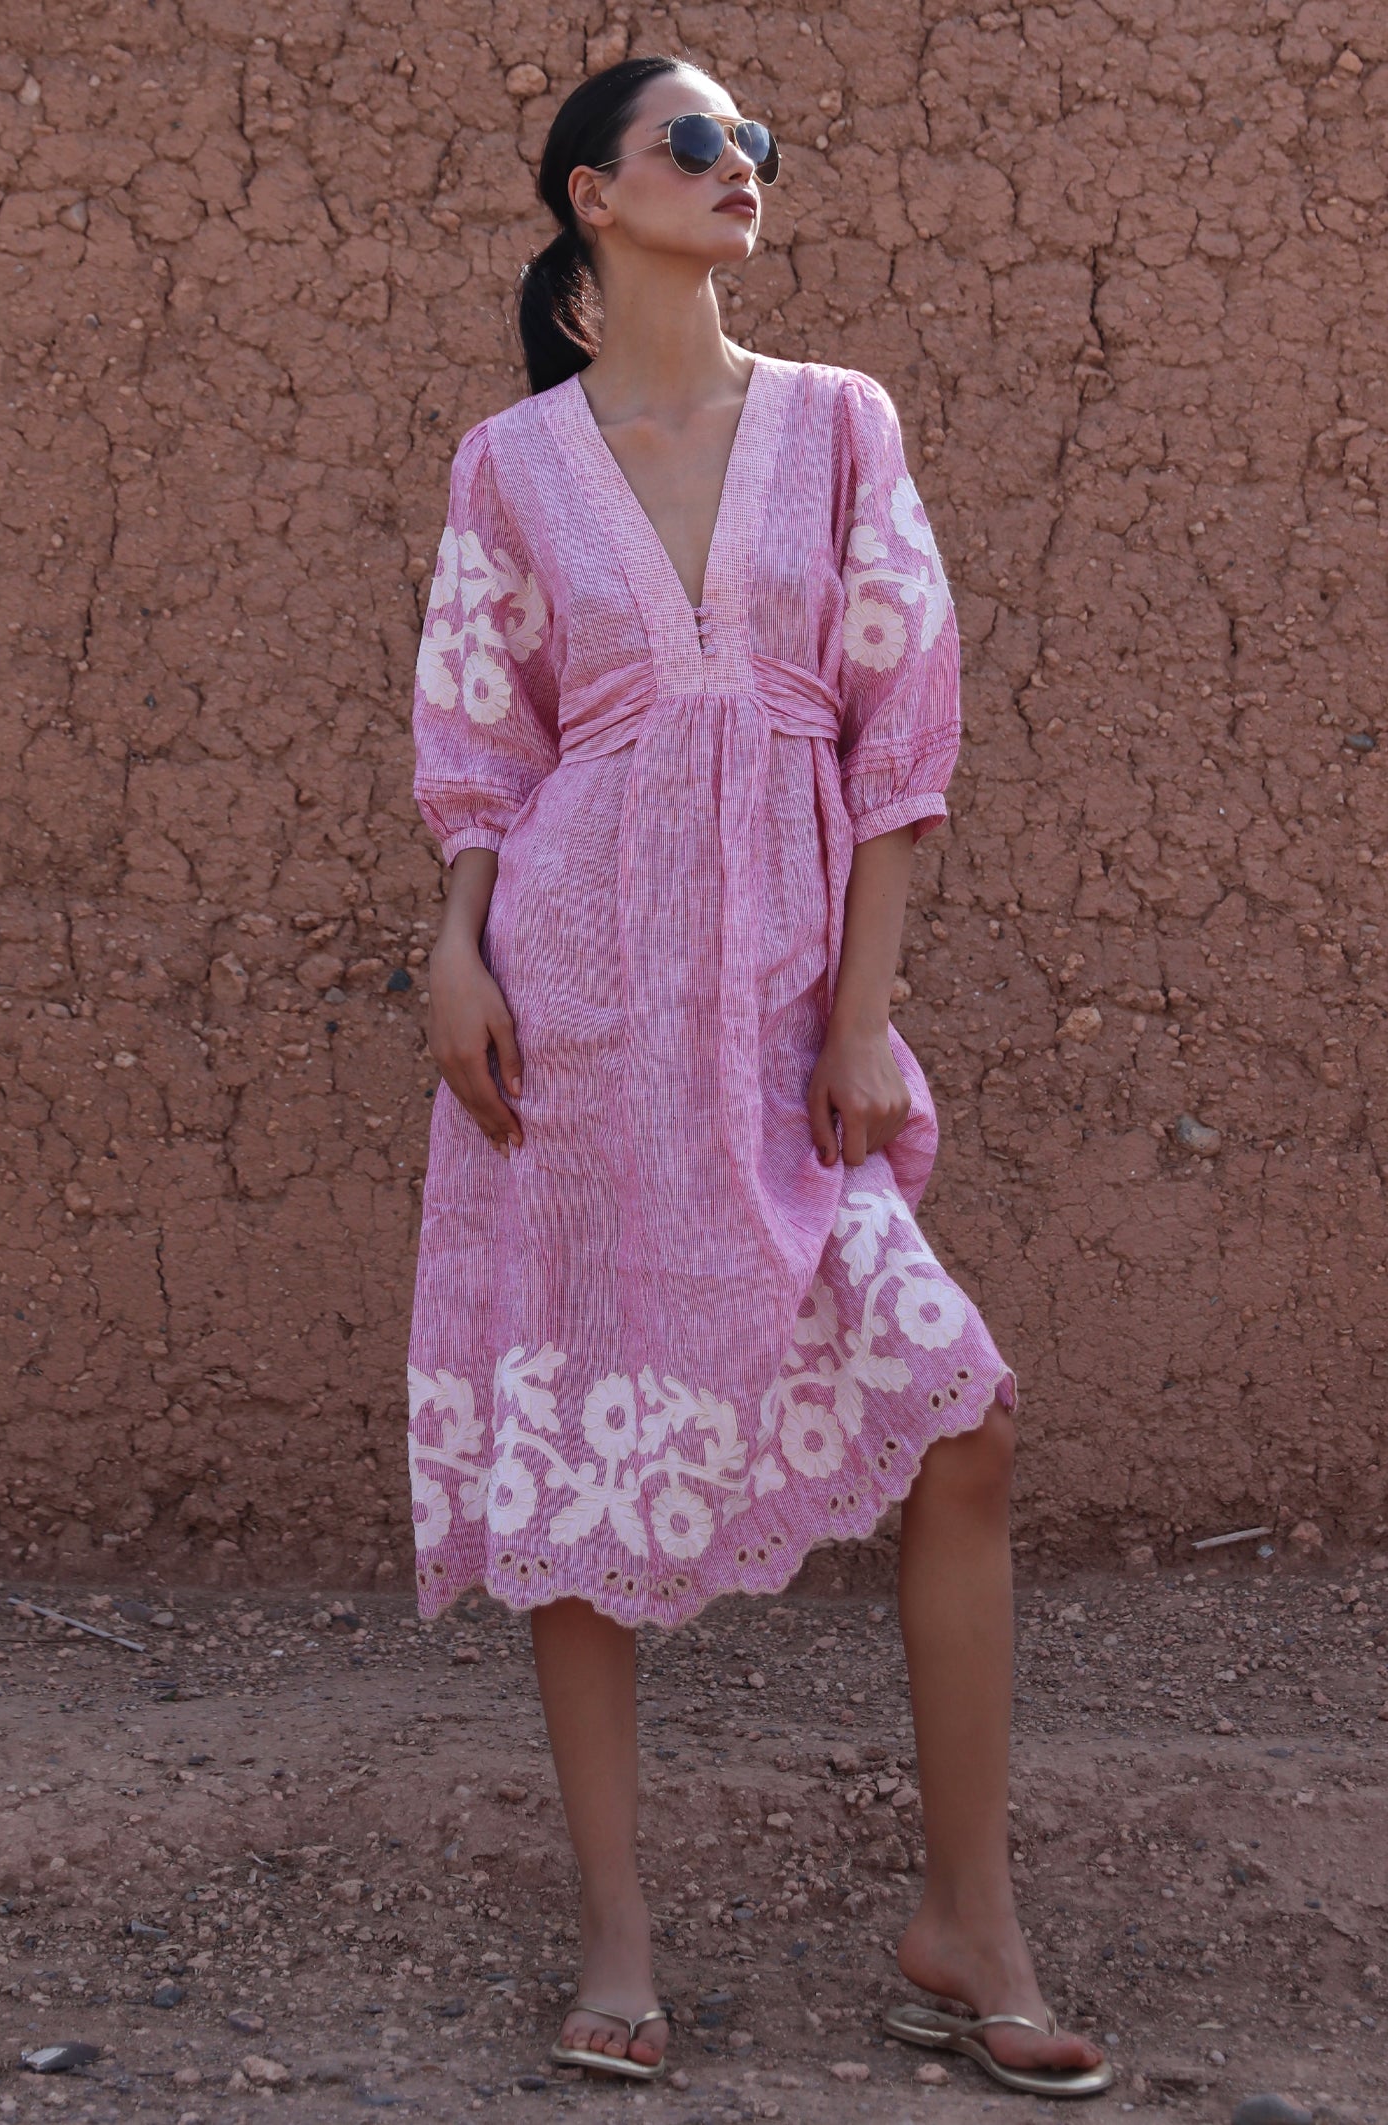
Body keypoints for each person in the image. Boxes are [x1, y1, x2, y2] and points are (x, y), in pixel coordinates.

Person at [406, 53, 1112, 2102]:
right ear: (589, 194)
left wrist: (862, 1013)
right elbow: (482, 744)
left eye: (756, 147)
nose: (741, 170)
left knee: (961, 1410)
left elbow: (904, 733)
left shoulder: (836, 423)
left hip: (790, 1011)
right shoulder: (511, 464)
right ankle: (619, 1936)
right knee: (573, 1462)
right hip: (573, 1006)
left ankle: (968, 1917)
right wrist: (454, 945)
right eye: (696, 143)